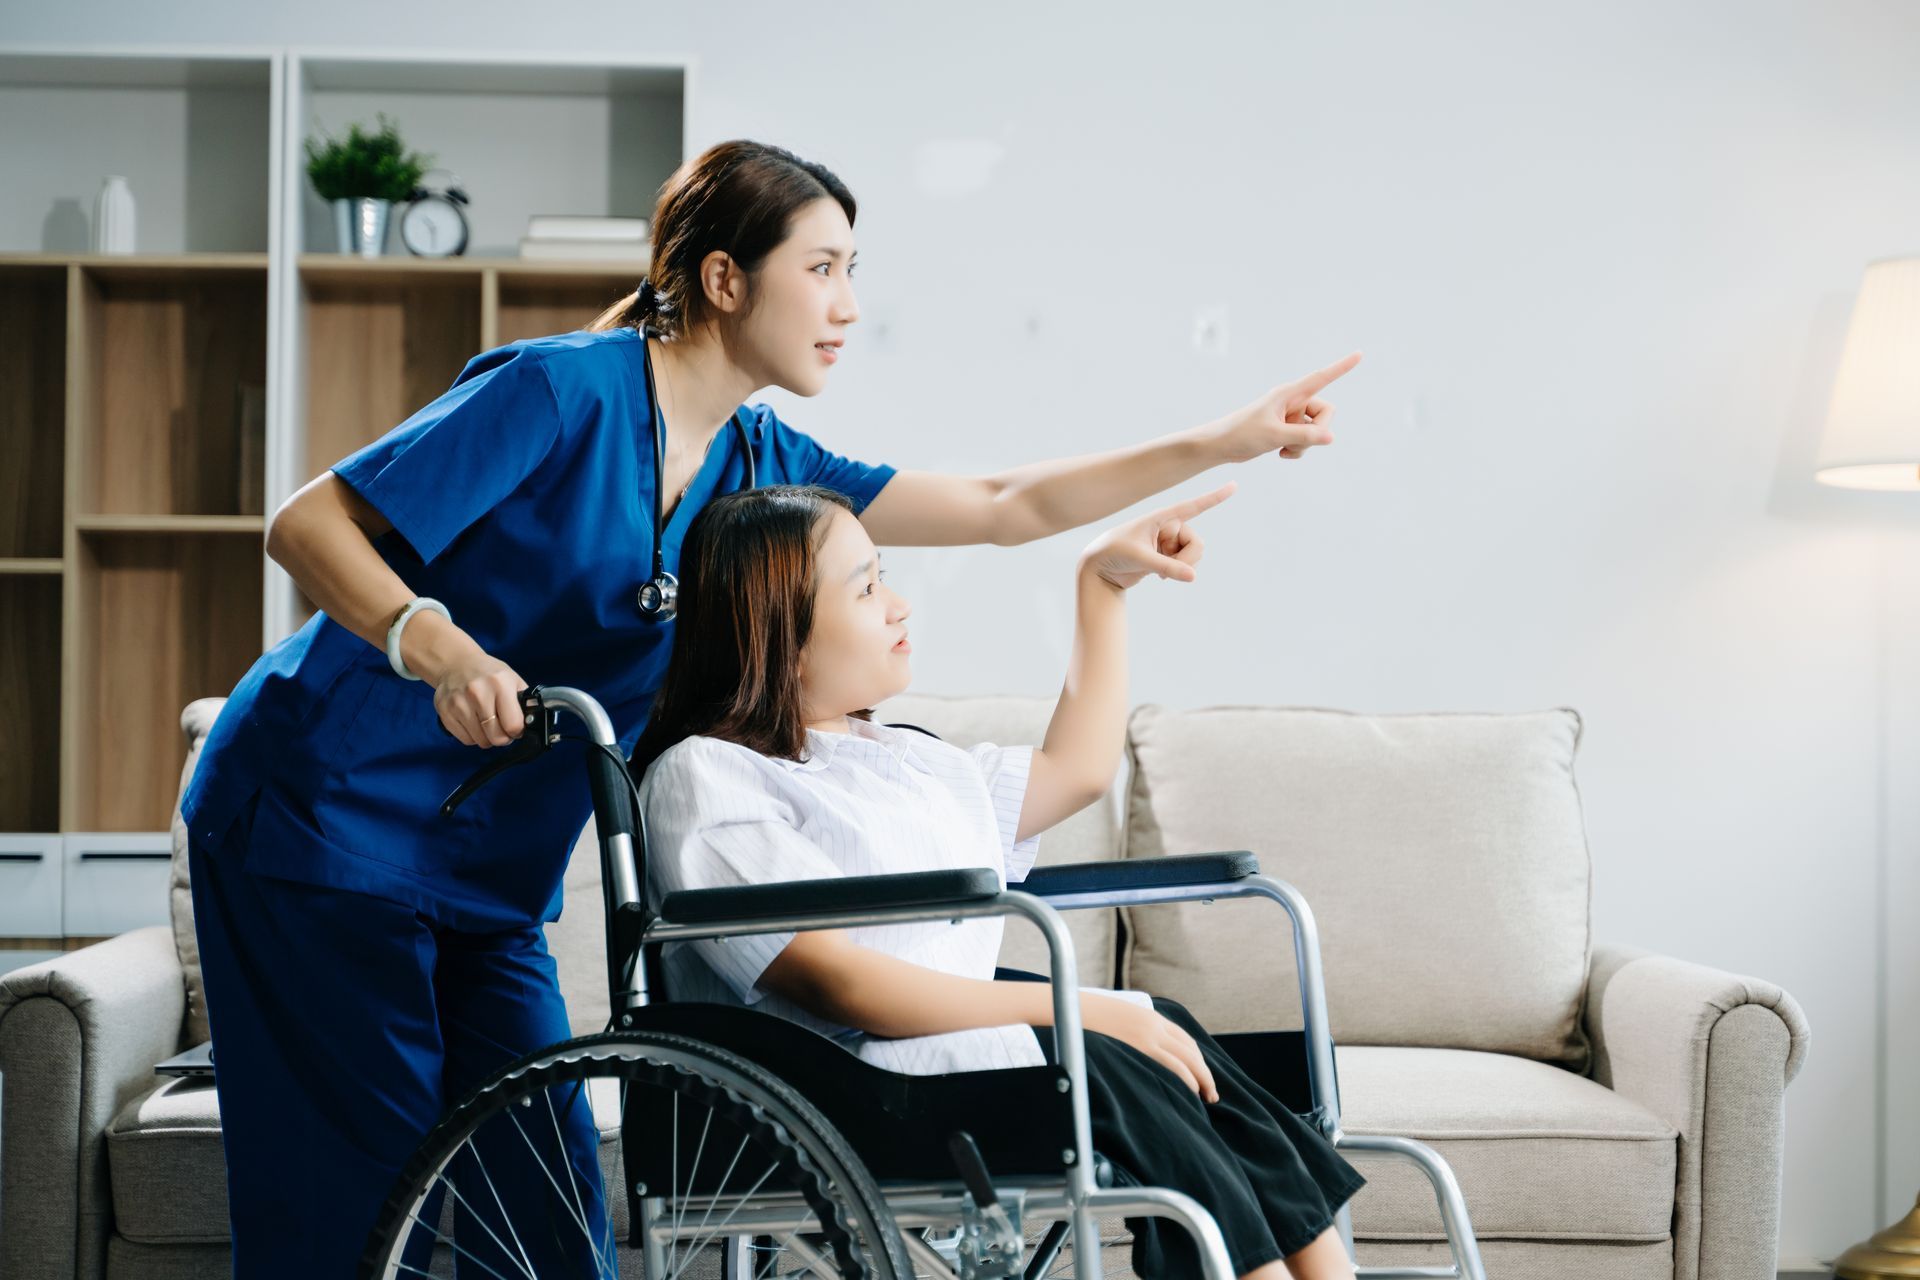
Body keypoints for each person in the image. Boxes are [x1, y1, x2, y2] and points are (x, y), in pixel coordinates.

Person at [181, 137, 1360, 1275]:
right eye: (824, 267)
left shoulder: (756, 461)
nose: (847, 303)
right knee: (356, 1186)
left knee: (551, 1211)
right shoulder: (558, 391)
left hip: (488, 876)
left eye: (854, 271)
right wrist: (434, 645)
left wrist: (1228, 436)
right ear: (725, 279)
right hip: (318, 819)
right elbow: (308, 523)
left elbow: (1004, 502)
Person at [635, 482, 1365, 1280]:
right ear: (779, 630)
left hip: (940, 1057)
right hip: (840, 1085)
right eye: (868, 587)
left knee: (1163, 1024)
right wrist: (1083, 1007)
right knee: (1115, 1044)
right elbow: (843, 985)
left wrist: (1103, 589)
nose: (900, 606)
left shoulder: (901, 759)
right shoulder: (706, 776)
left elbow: (1078, 770)